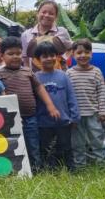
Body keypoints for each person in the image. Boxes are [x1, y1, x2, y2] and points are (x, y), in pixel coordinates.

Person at [0, 37, 60, 170]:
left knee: (33, 144)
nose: (15, 57)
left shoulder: (28, 71)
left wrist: (50, 105)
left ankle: (36, 168)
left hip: (30, 117)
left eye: (18, 53)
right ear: (2, 56)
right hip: (10, 119)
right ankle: (17, 169)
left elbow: (39, 88)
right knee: (13, 145)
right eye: (10, 54)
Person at [34, 41, 80, 172]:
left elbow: (71, 96)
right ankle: (47, 170)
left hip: (63, 121)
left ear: (57, 56)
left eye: (52, 55)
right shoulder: (35, 78)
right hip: (43, 122)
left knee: (65, 146)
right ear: (38, 60)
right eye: (45, 56)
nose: (49, 58)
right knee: (45, 147)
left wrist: (75, 116)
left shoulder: (63, 76)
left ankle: (71, 170)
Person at [67, 39, 105, 167]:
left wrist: (103, 111)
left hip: (94, 114)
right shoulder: (69, 73)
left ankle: (101, 165)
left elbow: (101, 92)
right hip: (76, 116)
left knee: (97, 140)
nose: (83, 55)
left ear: (91, 54)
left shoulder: (96, 72)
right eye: (79, 53)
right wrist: (69, 114)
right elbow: (67, 96)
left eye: (86, 52)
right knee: (77, 143)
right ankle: (80, 166)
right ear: (73, 54)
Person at [20, 0, 72, 69]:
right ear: (37, 13)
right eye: (43, 12)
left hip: (59, 74)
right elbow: (25, 58)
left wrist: (63, 58)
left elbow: (71, 48)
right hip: (36, 76)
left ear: (56, 17)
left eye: (51, 13)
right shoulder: (26, 35)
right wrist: (29, 75)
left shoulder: (62, 32)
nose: (47, 15)